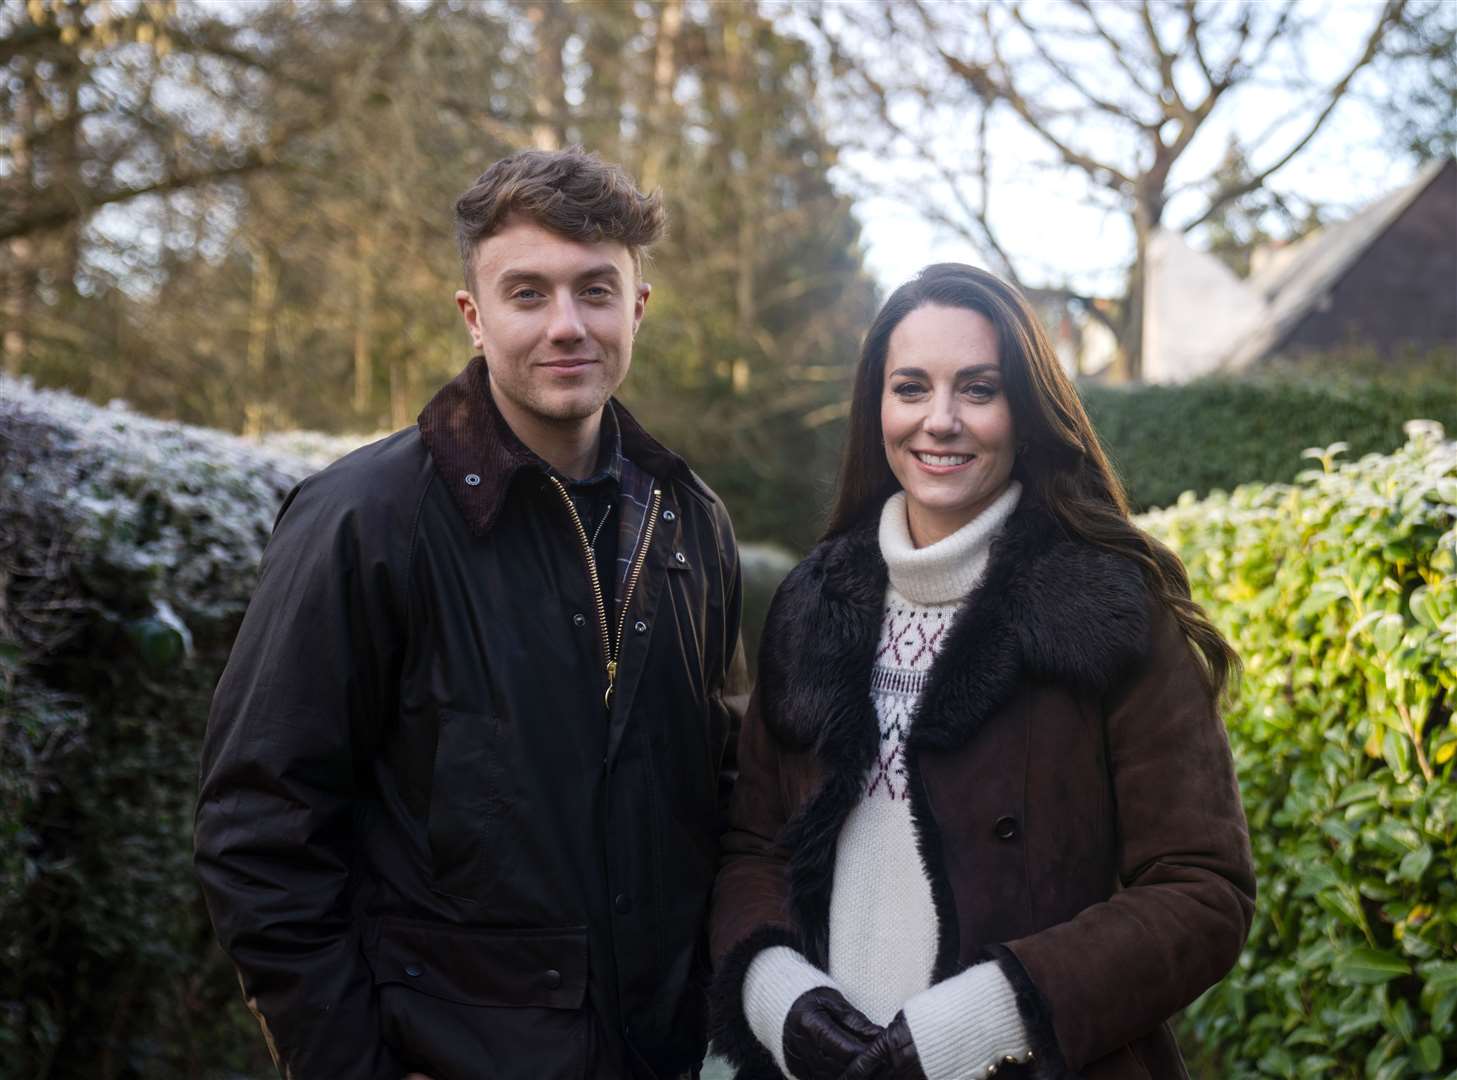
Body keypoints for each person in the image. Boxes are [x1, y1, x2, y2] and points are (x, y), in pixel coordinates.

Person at [195, 147, 747, 1080]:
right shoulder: (364, 518)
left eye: (596, 290)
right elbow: (259, 830)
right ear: (474, 315)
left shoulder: (691, 520)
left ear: (638, 308)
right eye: (527, 293)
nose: (566, 325)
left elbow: (724, 797)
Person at [708, 264, 1255, 1080]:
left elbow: (1203, 890)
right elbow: (753, 846)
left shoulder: (1107, 604)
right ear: (876, 407)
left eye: (976, 388)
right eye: (910, 387)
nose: (939, 421)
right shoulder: (813, 601)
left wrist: (990, 1016)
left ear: (1023, 409)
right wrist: (778, 995)